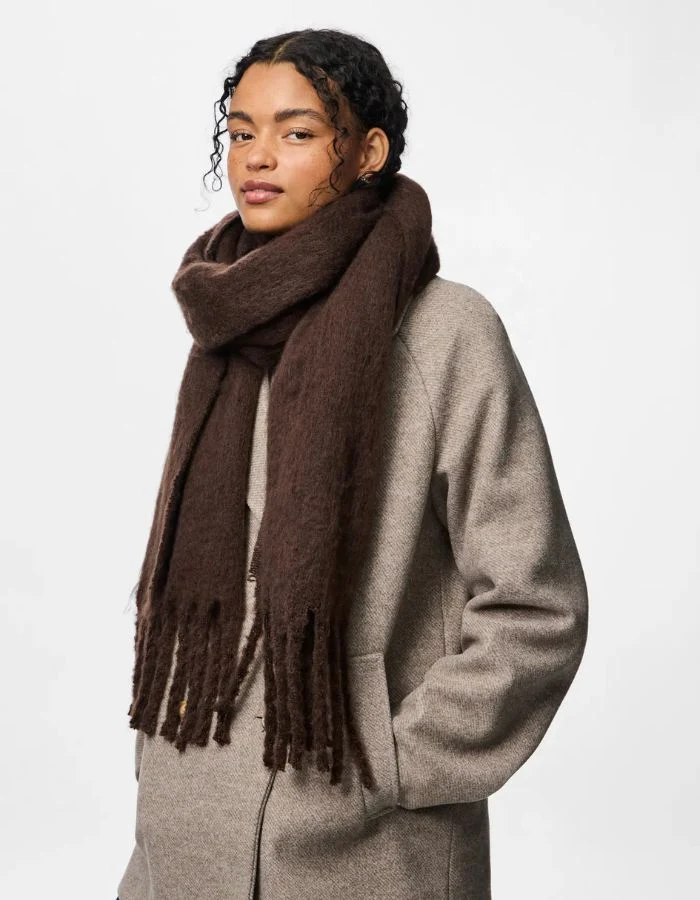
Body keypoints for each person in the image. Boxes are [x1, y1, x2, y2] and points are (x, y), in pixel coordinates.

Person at [117, 27, 588, 900]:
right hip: (181, 846)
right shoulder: (223, 325)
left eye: (296, 132)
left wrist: (399, 764)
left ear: (368, 152)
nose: (257, 156)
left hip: (365, 851)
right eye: (240, 131)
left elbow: (536, 606)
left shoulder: (444, 332)